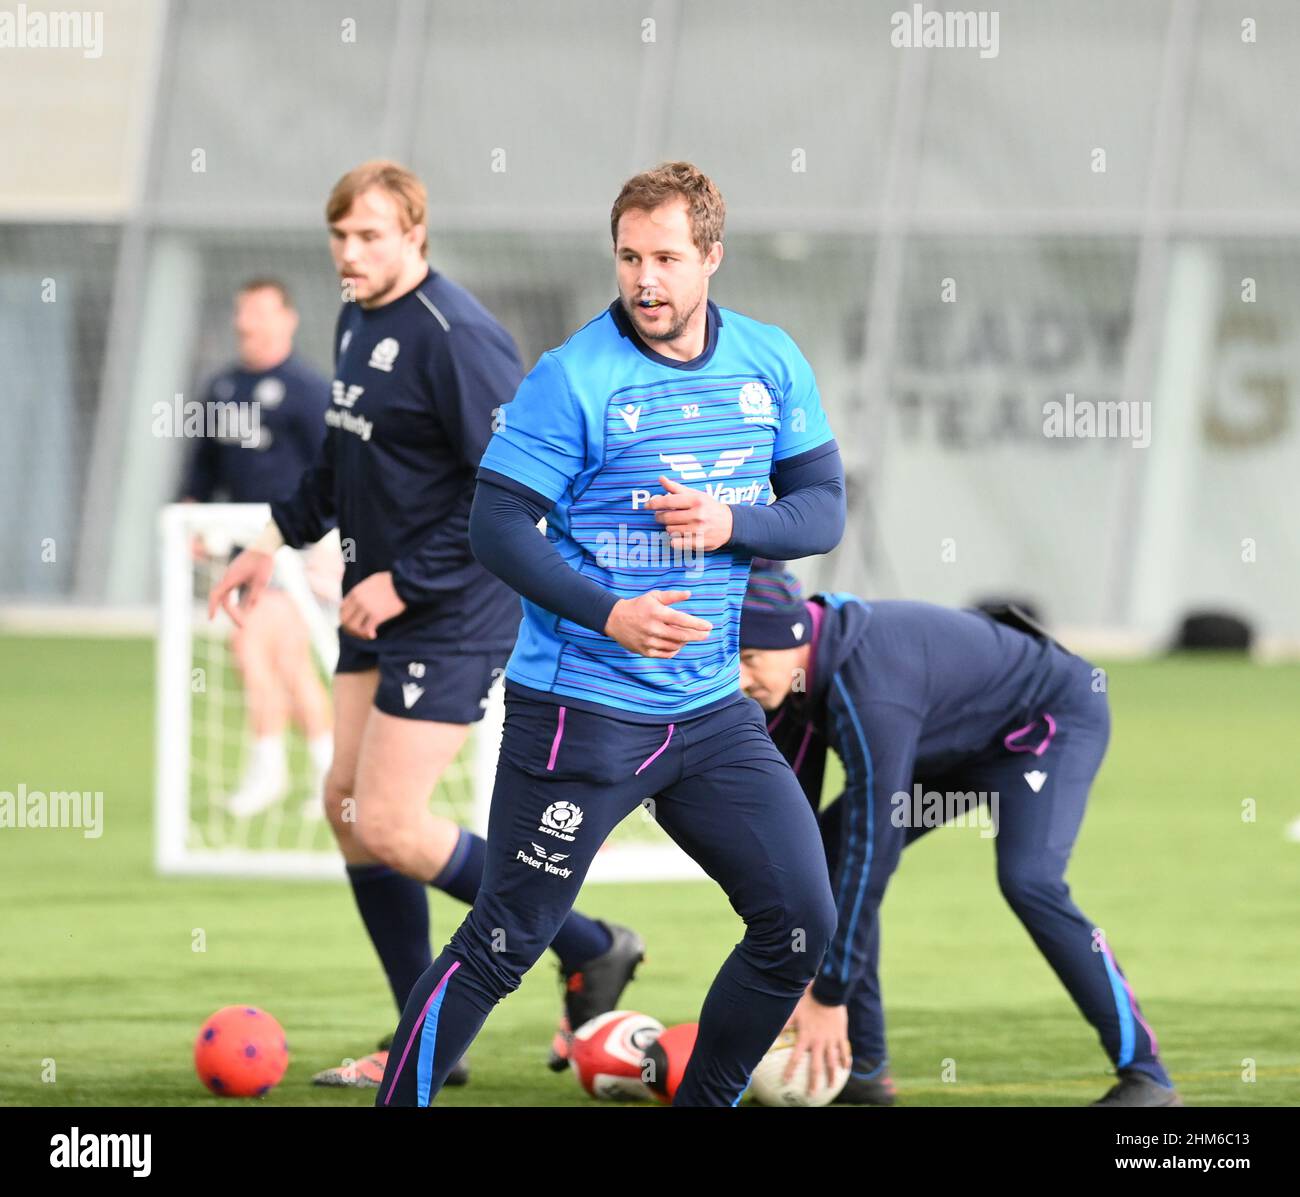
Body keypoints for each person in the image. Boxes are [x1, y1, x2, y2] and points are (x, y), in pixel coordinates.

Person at [377, 161, 847, 1108]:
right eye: (630, 256)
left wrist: (731, 524)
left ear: (711, 255)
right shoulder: (573, 378)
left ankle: (703, 1099)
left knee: (800, 917)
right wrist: (611, 611)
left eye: (667, 257)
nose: (646, 280)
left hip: (710, 713)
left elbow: (822, 510)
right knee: (506, 940)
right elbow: (496, 526)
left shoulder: (770, 360)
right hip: (579, 711)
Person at [208, 160, 643, 1089]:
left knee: (397, 824)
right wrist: (270, 541)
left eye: (369, 235)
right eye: (339, 236)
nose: (350, 253)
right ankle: (427, 1040)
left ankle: (592, 942)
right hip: (380, 601)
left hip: (451, 608)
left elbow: (516, 489)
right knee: (347, 809)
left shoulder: (460, 338)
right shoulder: (356, 315)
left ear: (415, 233)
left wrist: (408, 579)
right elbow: (341, 454)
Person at [737, 568, 1181, 1107]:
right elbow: (796, 839)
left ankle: (1148, 1076)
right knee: (824, 854)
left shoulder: (872, 695)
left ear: (795, 638)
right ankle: (865, 1070)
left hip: (1043, 728)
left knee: (1031, 882)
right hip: (947, 739)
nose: (741, 680)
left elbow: (872, 849)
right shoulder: (792, 680)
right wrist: (791, 965)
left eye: (750, 660)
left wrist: (828, 993)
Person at [181, 278, 335, 816]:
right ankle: (327, 773)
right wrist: (193, 514)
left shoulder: (307, 390)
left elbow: (336, 468)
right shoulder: (221, 386)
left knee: (251, 650)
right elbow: (202, 466)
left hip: (295, 546)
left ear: (287, 319)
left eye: (262, 314)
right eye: (244, 313)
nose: (250, 324)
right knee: (287, 663)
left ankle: (271, 769)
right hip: (240, 547)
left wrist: (327, 540)